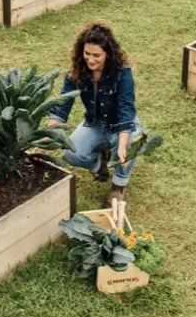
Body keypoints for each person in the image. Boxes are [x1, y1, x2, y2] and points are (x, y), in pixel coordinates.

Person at [48, 21, 142, 204]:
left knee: (129, 145)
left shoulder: (122, 74)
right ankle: (99, 165)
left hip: (119, 125)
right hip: (95, 123)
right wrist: (46, 136)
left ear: (108, 54)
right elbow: (62, 105)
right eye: (87, 54)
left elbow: (126, 109)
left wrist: (123, 145)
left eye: (97, 55)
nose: (91, 60)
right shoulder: (77, 73)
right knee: (70, 153)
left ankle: (118, 187)